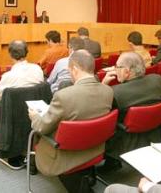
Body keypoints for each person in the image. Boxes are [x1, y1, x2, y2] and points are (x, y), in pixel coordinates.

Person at [29, 50, 113, 193]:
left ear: (74, 69)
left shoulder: (63, 96)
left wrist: (34, 116)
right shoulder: (108, 91)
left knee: (35, 130)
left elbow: (41, 128)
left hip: (66, 154)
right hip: (95, 148)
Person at [101, 52, 161, 170]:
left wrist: (103, 86)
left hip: (126, 139)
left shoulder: (115, 92)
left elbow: (100, 110)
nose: (115, 70)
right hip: (153, 132)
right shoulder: (157, 79)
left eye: (117, 67)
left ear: (126, 71)